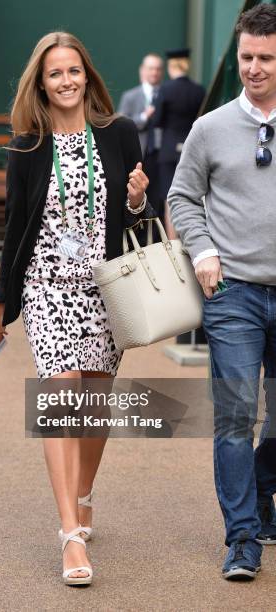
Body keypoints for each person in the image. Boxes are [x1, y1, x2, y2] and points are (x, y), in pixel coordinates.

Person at [0, 31, 151, 586]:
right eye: (55, 73)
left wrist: (135, 199)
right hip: (46, 288)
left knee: (94, 403)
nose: (66, 81)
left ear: (88, 76)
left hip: (104, 286)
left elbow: (132, 225)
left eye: (73, 71)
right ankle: (69, 535)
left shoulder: (119, 133)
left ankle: (83, 498)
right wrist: (0, 305)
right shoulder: (26, 148)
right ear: (41, 82)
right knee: (60, 393)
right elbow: (15, 230)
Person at [168, 3, 276, 581]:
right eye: (246, 58)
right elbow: (182, 197)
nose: (254, 68)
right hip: (232, 294)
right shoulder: (210, 128)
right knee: (236, 418)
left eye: (266, 58)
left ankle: (261, 493)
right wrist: (204, 253)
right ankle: (242, 539)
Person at [150, 48, 205, 238]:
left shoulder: (165, 89)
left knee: (169, 198)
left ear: (171, 66)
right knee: (191, 197)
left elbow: (156, 120)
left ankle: (172, 246)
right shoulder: (198, 90)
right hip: (190, 148)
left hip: (168, 151)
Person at [118, 54, 164, 229]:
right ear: (143, 71)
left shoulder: (165, 94)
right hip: (140, 155)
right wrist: (144, 116)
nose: (155, 72)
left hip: (160, 155)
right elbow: (123, 123)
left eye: (158, 69)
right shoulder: (130, 96)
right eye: (151, 68)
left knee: (160, 197)